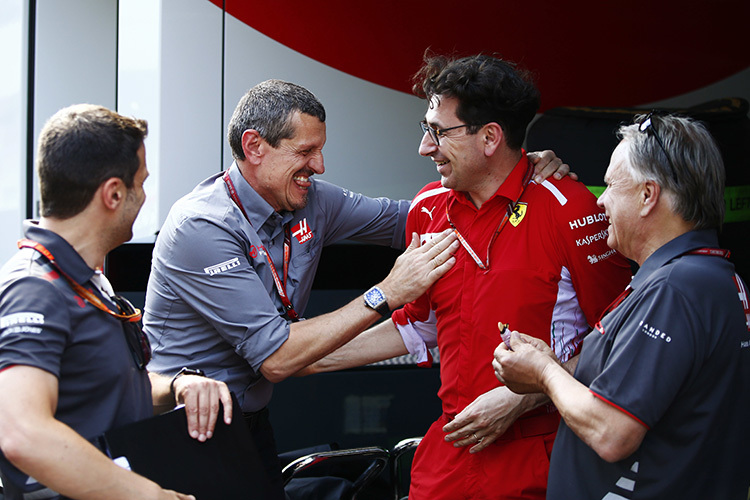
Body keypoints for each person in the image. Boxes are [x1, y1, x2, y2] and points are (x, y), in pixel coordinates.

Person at [142, 78, 569, 498]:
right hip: (182, 431)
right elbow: (275, 357)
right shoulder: (203, 224)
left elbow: (423, 217)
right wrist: (386, 293)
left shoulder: (312, 200)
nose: (320, 165)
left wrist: (515, 169)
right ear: (255, 147)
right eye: (306, 152)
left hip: (248, 424)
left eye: (320, 149)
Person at [302, 54, 633, 499]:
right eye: (427, 128)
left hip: (544, 461)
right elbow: (420, 327)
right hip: (449, 456)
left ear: (491, 137)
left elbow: (620, 343)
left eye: (439, 131)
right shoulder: (427, 207)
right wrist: (299, 357)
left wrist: (525, 396)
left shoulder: (569, 207)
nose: (424, 147)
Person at [493, 113, 750, 499]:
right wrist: (556, 368)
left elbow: (612, 432)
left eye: (612, 185)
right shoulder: (711, 275)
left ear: (648, 196)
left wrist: (544, 372)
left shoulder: (675, 287)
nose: (600, 199)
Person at [0, 104, 233, 500]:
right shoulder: (35, 288)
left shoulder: (89, 282)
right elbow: (22, 431)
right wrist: (149, 496)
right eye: (141, 183)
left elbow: (106, 390)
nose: (145, 196)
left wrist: (177, 387)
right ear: (113, 193)